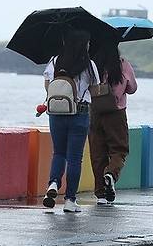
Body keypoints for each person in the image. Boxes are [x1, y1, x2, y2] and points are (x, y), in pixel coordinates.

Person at [42, 29, 99, 213]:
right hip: (80, 114)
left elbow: (47, 86)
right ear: (84, 44)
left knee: (59, 153)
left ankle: (53, 183)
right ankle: (69, 200)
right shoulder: (89, 65)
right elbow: (96, 92)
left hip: (57, 114)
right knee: (75, 158)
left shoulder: (54, 61)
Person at [89, 41, 138, 205]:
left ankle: (101, 194)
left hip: (95, 112)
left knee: (97, 152)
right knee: (119, 149)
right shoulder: (122, 64)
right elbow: (132, 88)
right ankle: (111, 173)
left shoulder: (92, 64)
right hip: (116, 112)